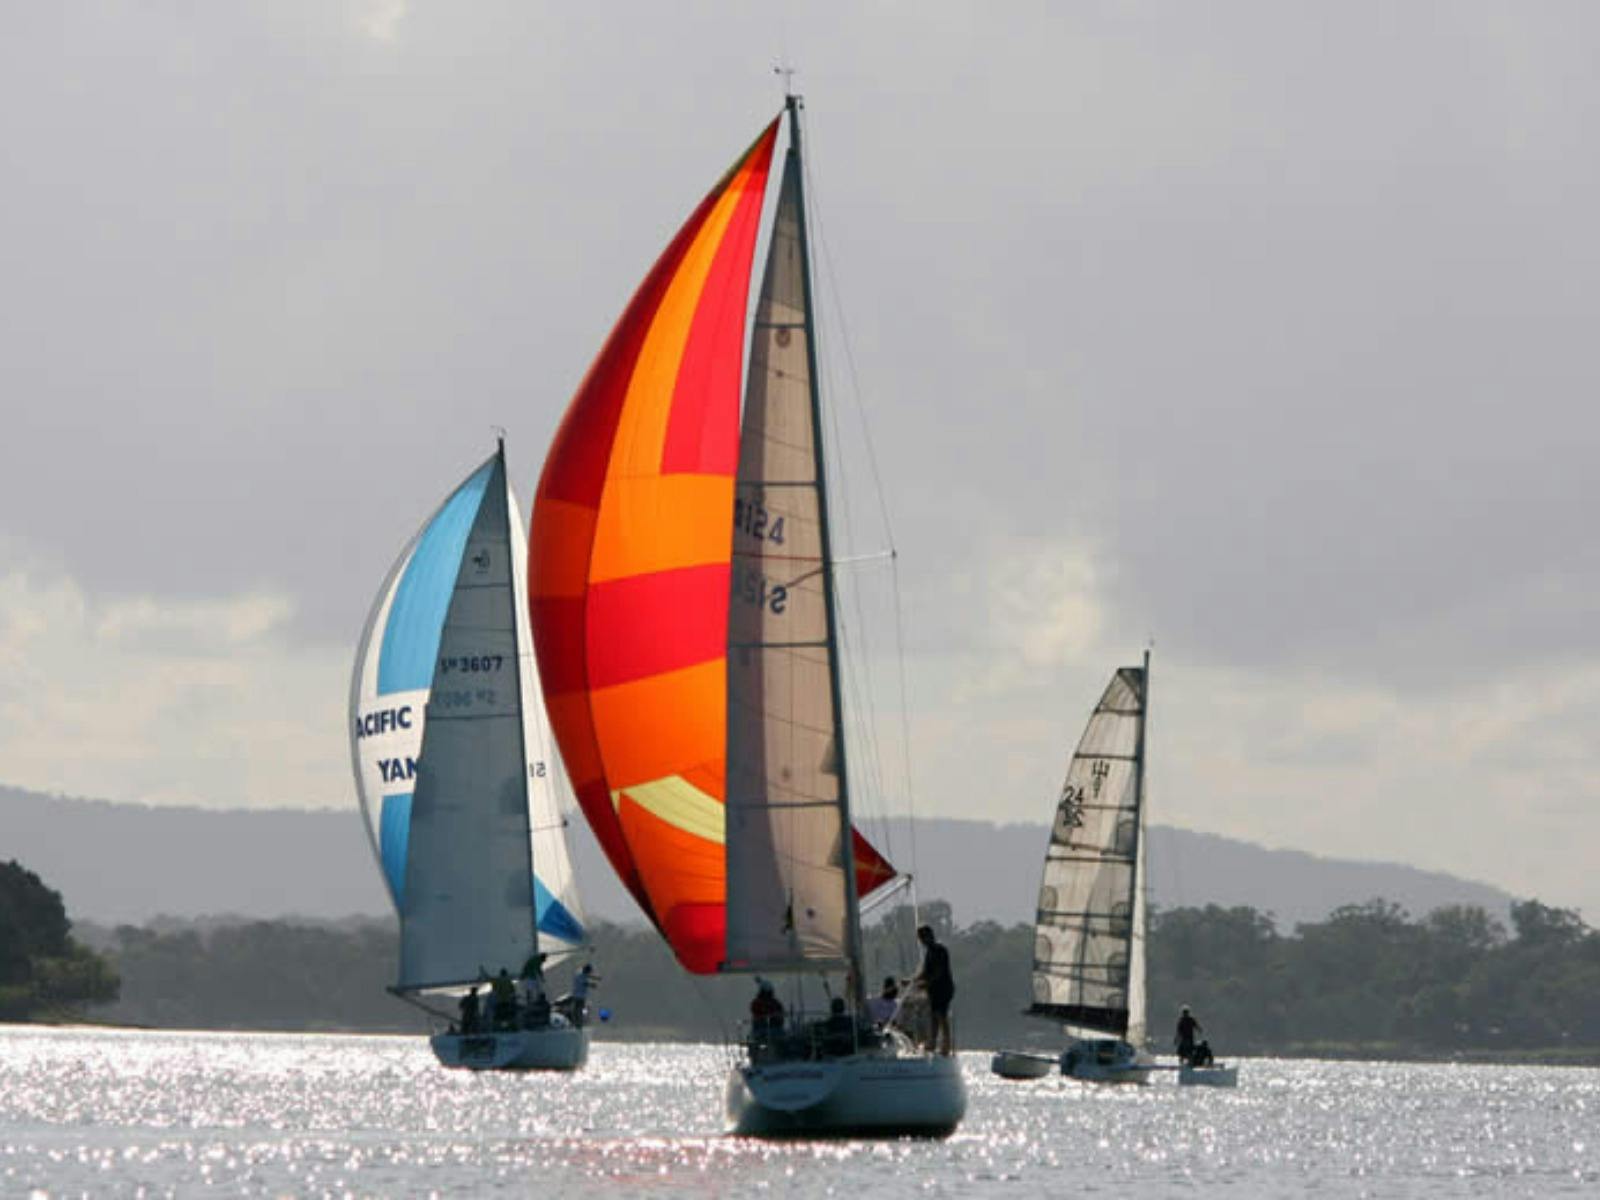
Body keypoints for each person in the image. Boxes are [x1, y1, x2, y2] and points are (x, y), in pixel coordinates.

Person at [914, 924, 955, 1056]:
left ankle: (946, 1046)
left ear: (929, 936)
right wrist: (912, 981)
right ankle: (932, 1043)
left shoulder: (940, 950)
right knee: (933, 1017)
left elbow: (939, 971)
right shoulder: (929, 952)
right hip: (933, 990)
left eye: (922, 938)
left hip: (944, 988)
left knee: (941, 1015)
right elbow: (925, 972)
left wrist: (926, 983)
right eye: (920, 939)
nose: (921, 942)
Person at [749, 979, 785, 1043]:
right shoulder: (757, 1003)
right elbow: (757, 1012)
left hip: (776, 1029)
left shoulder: (776, 1003)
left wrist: (777, 1016)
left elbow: (780, 1014)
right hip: (760, 1029)